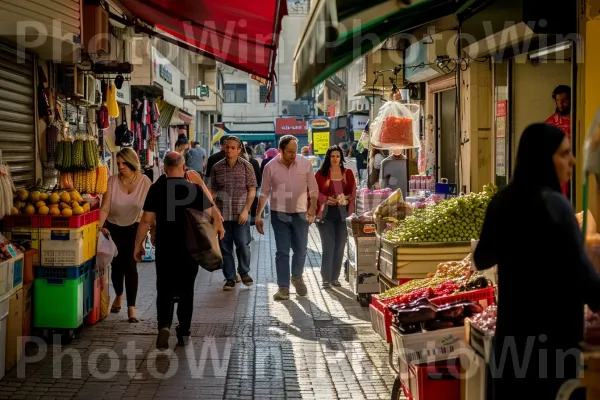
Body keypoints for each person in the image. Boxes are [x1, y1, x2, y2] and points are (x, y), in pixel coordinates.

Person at [474, 123, 600, 400]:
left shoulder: (502, 201)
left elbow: (482, 258)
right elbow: (583, 277)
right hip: (553, 347)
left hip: (510, 343)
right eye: (565, 154)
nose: (573, 161)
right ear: (544, 158)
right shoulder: (555, 204)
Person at [134, 152, 225, 349]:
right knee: (186, 290)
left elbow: (146, 220)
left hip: (166, 247)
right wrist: (217, 233)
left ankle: (164, 326)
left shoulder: (157, 188)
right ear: (184, 168)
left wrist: (138, 244)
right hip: (190, 249)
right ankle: (184, 332)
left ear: (165, 169)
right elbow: (214, 216)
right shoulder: (194, 189)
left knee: (164, 288)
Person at [255, 135, 319, 301]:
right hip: (279, 215)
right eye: (289, 151)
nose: (293, 154)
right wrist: (258, 215)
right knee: (282, 252)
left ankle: (296, 276)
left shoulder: (304, 163)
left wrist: (312, 209)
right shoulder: (270, 167)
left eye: (295, 151)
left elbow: (313, 189)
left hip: (301, 213)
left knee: (301, 250)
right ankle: (283, 287)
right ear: (280, 151)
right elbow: (264, 192)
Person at [98, 148, 152, 323]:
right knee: (116, 265)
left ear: (132, 163)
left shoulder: (145, 182)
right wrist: (99, 227)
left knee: (130, 266)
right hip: (113, 227)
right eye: (118, 163)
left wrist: (144, 237)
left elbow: (149, 213)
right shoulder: (111, 181)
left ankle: (131, 308)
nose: (120, 166)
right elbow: (105, 207)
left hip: (134, 228)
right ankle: (119, 295)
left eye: (123, 163)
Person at [209, 136, 257, 291]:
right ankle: (229, 278)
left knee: (243, 244)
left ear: (239, 150)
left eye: (232, 148)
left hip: (241, 214)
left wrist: (246, 210)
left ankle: (243, 272)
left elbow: (252, 190)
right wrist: (213, 212)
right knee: (225, 248)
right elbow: (211, 191)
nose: (229, 150)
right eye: (227, 147)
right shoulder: (216, 167)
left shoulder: (246, 166)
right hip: (222, 215)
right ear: (223, 148)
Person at [314, 145, 356, 289]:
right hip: (325, 215)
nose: (335, 159)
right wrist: (326, 198)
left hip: (343, 215)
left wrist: (347, 198)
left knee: (339, 247)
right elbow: (313, 192)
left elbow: (353, 192)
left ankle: (335, 278)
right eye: (332, 156)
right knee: (328, 246)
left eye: (338, 156)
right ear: (328, 158)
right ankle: (326, 279)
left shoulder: (348, 173)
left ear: (341, 158)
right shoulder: (320, 174)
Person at [545, 85, 572, 197]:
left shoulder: (577, 120)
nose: (560, 104)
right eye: (557, 100)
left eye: (564, 100)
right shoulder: (550, 123)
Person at [245, 145, 262, 234]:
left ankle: (245, 231)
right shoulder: (254, 162)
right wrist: (257, 186)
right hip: (253, 190)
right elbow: (259, 177)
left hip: (241, 192)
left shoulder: (238, 161)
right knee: (252, 208)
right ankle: (249, 233)